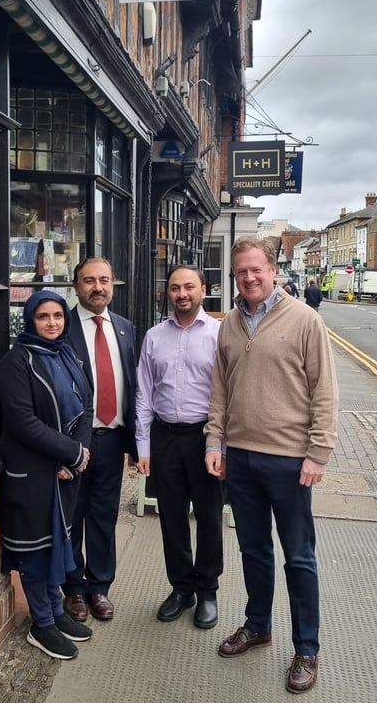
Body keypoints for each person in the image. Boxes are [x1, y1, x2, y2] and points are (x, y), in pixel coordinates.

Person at [205, 237, 338, 694]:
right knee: (253, 551)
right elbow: (219, 390)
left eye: (256, 270)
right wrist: (214, 442)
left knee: (299, 558)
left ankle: (307, 649)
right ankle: (258, 624)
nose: (249, 278)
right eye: (241, 272)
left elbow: (324, 392)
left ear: (273, 269)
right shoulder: (229, 325)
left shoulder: (305, 320)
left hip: (290, 462)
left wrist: (318, 453)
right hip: (240, 458)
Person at [0, 290, 93, 660]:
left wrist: (78, 455)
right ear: (30, 320)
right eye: (43, 317)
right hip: (33, 474)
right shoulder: (17, 361)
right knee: (36, 551)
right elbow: (23, 422)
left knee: (58, 543)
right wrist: (71, 452)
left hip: (65, 471)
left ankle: (55, 610)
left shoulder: (67, 353)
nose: (52, 323)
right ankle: (42, 623)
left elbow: (86, 405)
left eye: (57, 316)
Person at [136, 265, 224, 630]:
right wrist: (143, 446)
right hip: (165, 438)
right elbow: (144, 392)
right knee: (171, 518)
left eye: (189, 287)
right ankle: (181, 588)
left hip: (206, 438)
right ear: (167, 292)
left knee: (208, 517)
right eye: (175, 288)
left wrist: (221, 444)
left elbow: (228, 394)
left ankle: (207, 590)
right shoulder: (154, 337)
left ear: (203, 290)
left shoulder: (221, 334)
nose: (182, 294)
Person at [62, 258, 138, 622]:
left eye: (104, 280)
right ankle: (74, 588)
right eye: (89, 280)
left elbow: (133, 386)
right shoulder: (61, 328)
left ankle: (100, 587)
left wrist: (138, 446)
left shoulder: (124, 329)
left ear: (113, 285)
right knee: (72, 516)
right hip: (74, 442)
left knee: (105, 517)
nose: (97, 287)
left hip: (112, 439)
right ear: (76, 286)